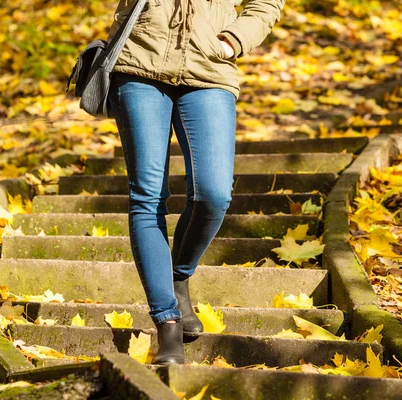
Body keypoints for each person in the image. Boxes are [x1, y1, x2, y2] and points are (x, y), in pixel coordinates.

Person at [106, 0, 286, 365]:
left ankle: (177, 275)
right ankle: (167, 323)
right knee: (147, 195)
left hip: (210, 68)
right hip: (140, 59)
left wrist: (234, 40)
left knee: (214, 195)